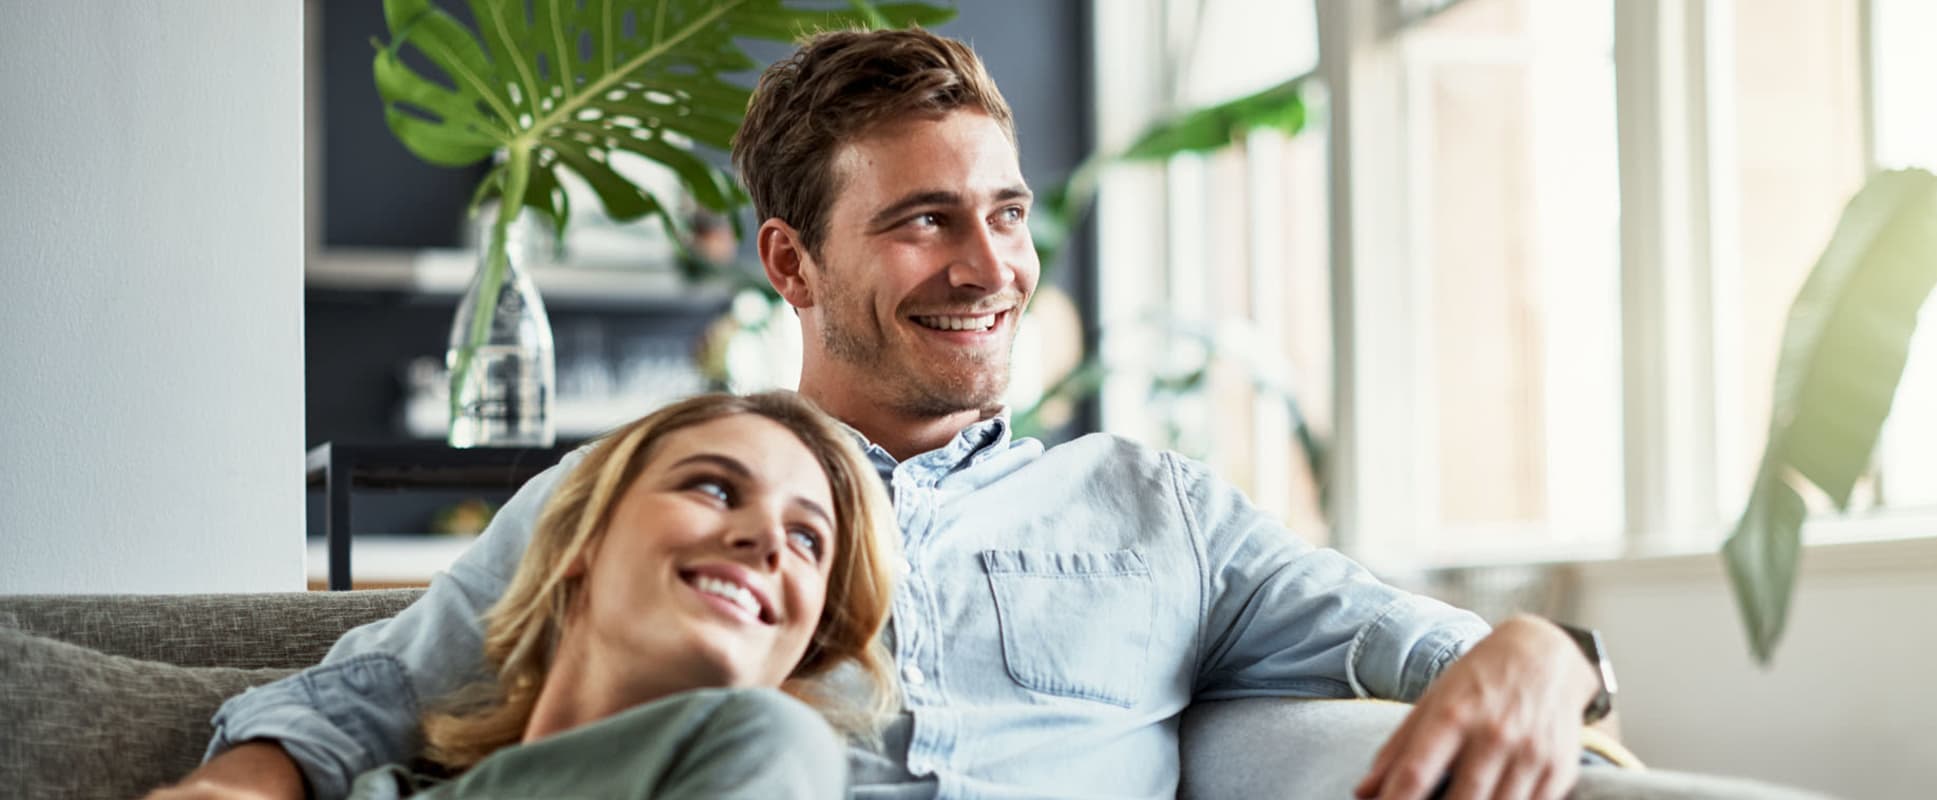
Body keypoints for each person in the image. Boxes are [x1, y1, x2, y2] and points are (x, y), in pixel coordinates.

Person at [177, 28, 1614, 800]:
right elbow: (360, 696)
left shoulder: (1159, 512)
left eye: (1004, 213)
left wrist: (1547, 652)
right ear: (792, 263)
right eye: (926, 223)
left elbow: (1423, 643)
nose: (989, 269)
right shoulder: (666, 500)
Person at [155, 392, 899, 799]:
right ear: (580, 542)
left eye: (808, 540)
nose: (769, 539)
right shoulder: (382, 787)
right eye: (712, 486)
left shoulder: (777, 745)